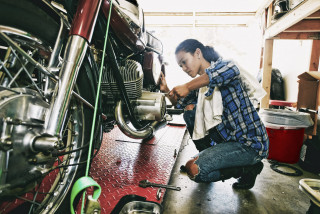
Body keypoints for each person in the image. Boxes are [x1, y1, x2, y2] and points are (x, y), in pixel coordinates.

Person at [160, 39, 269, 189]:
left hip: (250, 144)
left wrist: (187, 86)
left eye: (184, 62)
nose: (184, 68)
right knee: (190, 111)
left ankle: (249, 169)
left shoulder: (226, 65)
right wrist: (166, 90)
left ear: (198, 53)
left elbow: (223, 74)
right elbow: (180, 105)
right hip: (227, 143)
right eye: (180, 66)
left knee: (195, 170)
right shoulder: (200, 88)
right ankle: (205, 155)